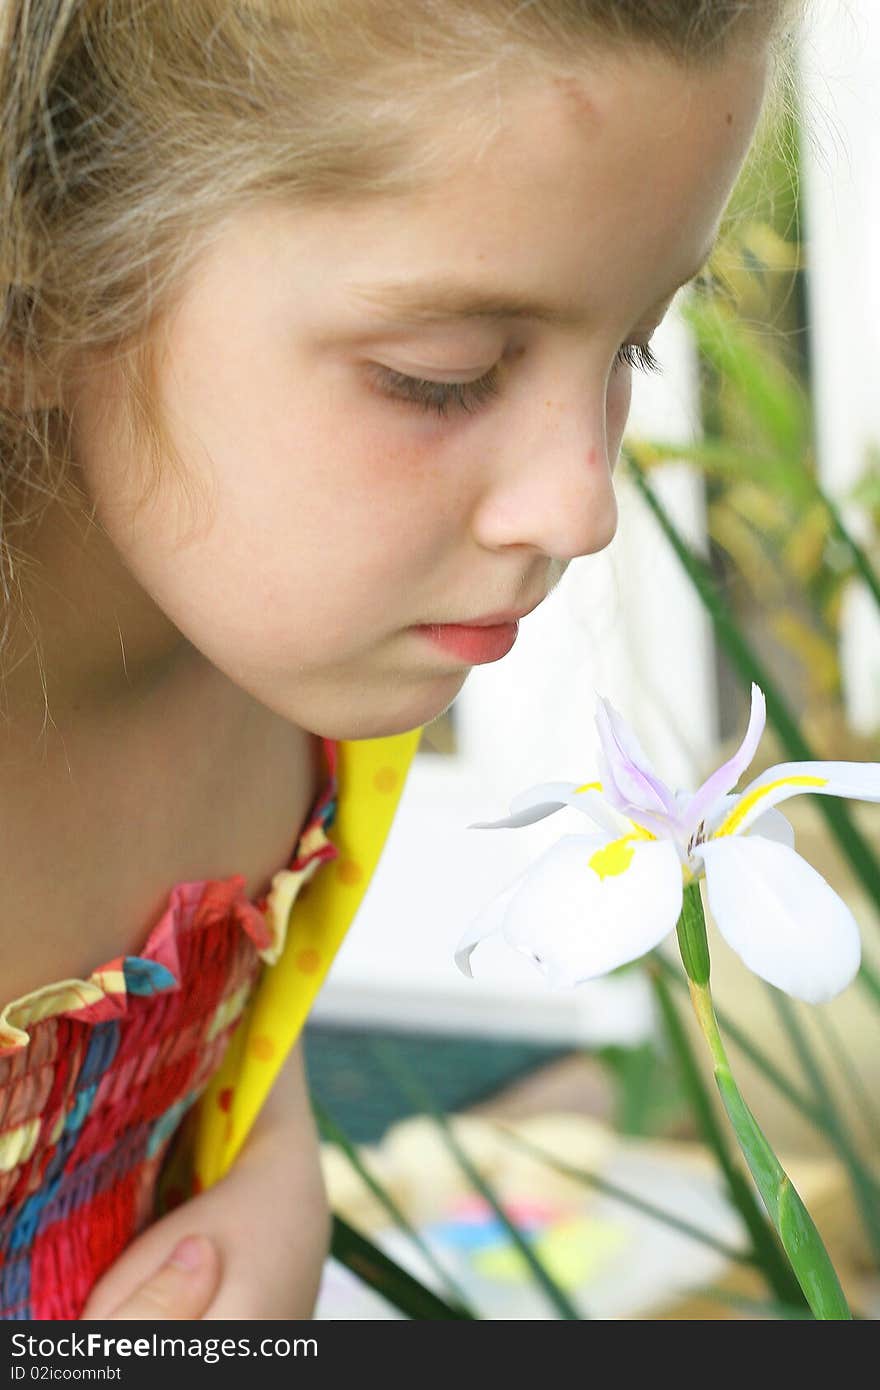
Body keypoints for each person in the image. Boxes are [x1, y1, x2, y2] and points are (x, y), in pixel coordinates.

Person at [0, 0, 797, 1320]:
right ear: (36, 278)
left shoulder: (298, 673)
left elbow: (219, 1044)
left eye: (633, 343)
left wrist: (261, 1154)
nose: (581, 506)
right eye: (446, 374)